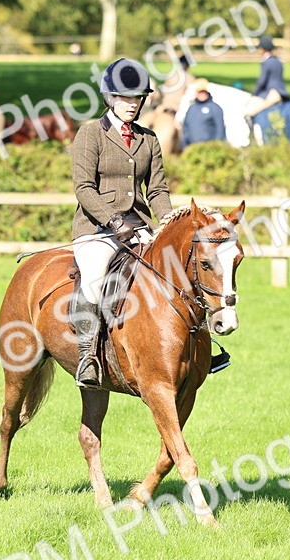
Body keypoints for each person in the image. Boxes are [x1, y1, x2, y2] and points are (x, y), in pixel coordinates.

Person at [70, 58, 173, 388]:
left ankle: (197, 346)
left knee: (176, 269)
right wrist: (113, 221)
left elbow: (156, 189)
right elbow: (84, 187)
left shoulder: (149, 139)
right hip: (98, 228)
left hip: (140, 225)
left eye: (137, 98)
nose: (132, 104)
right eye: (125, 98)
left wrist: (169, 221)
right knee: (95, 276)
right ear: (110, 98)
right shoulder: (90, 134)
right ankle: (87, 355)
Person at [243, 36, 289, 141]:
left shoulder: (267, 62)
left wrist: (255, 93)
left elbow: (262, 81)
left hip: (273, 92)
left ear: (264, 48)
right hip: (280, 91)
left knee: (248, 112)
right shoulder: (278, 60)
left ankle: (252, 137)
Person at [181, 79, 226, 147]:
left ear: (207, 93)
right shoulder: (191, 108)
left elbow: (220, 129)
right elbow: (186, 127)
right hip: (193, 147)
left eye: (203, 92)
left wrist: (217, 145)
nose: (201, 94)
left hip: (208, 147)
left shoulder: (215, 108)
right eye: (200, 92)